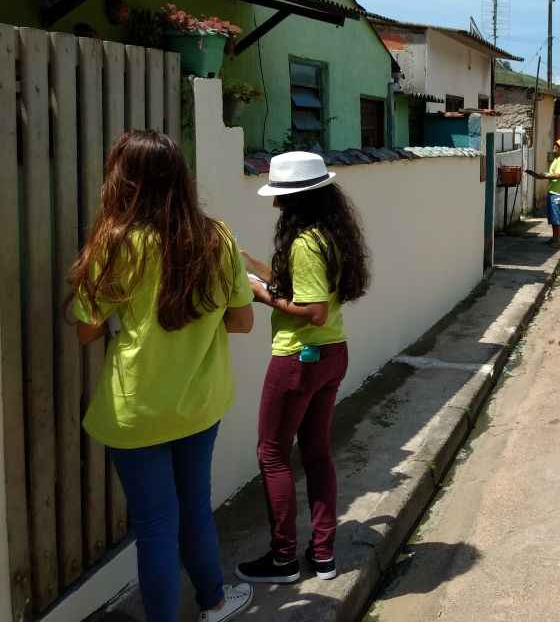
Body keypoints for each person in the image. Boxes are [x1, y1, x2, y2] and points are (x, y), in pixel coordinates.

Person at [70, 130, 255, 622]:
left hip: (137, 411)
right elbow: (242, 321)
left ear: (122, 181)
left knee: (155, 524)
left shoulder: (115, 244)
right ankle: (213, 602)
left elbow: (86, 331)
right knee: (194, 507)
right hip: (199, 404)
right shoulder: (218, 238)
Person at [237, 152, 370, 585]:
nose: (275, 204)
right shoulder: (329, 235)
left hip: (299, 357)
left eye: (280, 197)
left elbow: (311, 309)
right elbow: (297, 281)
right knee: (315, 452)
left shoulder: (304, 242)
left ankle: (283, 559)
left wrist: (261, 296)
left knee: (272, 453)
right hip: (332, 354)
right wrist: (251, 265)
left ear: (298, 200)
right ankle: (324, 554)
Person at [542, 139, 560, 247]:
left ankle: (558, 240)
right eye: (555, 144)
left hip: (557, 192)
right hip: (553, 190)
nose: (555, 146)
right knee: (553, 217)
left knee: (557, 217)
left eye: (558, 146)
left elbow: (558, 175)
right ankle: (554, 238)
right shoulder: (556, 159)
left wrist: (544, 176)